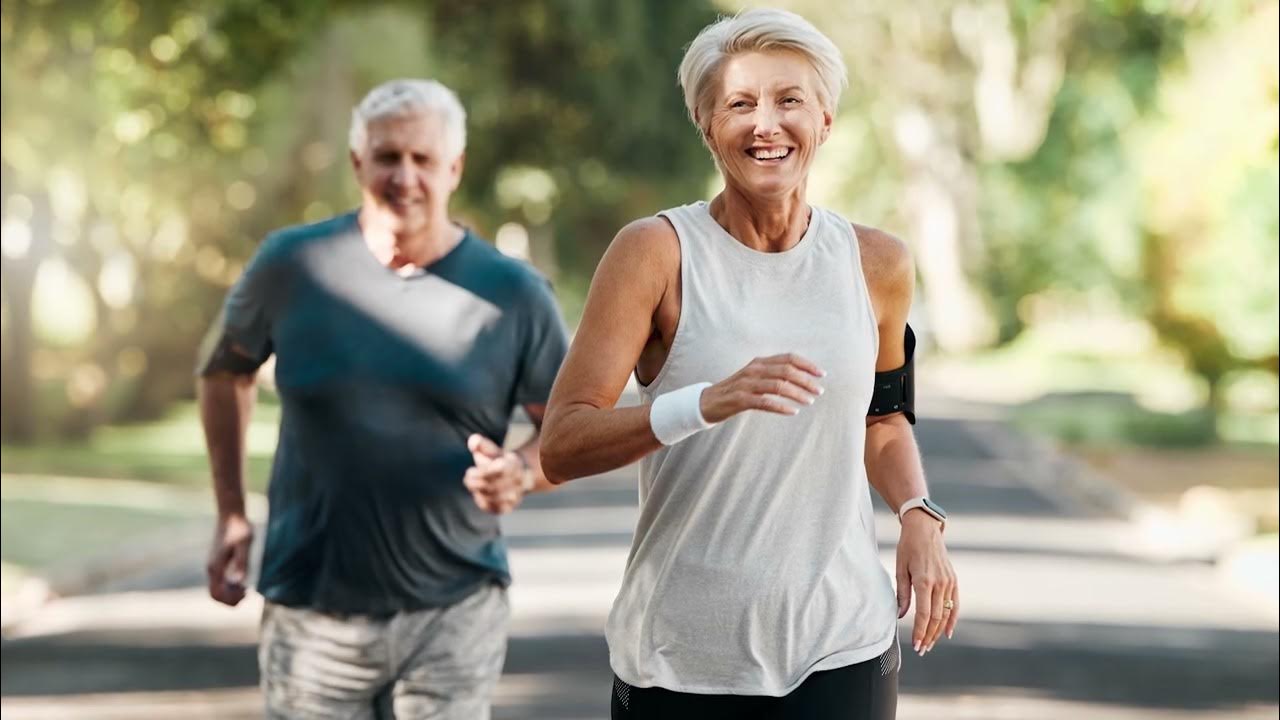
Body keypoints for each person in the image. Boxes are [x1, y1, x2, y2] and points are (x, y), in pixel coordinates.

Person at [539, 9, 957, 719]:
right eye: (740, 104)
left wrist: (918, 512)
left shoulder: (877, 263)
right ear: (707, 127)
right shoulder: (655, 253)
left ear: (825, 119)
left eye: (789, 100)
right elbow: (563, 442)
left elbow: (883, 418)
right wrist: (703, 402)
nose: (767, 124)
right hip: (682, 658)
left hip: (842, 644)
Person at [197, 78, 569, 719]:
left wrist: (523, 472)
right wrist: (231, 510)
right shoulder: (292, 264)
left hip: (454, 609)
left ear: (454, 168)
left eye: (423, 159)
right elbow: (224, 373)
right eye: (387, 157)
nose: (405, 177)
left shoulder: (514, 293)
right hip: (312, 614)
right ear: (357, 162)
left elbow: (567, 430)